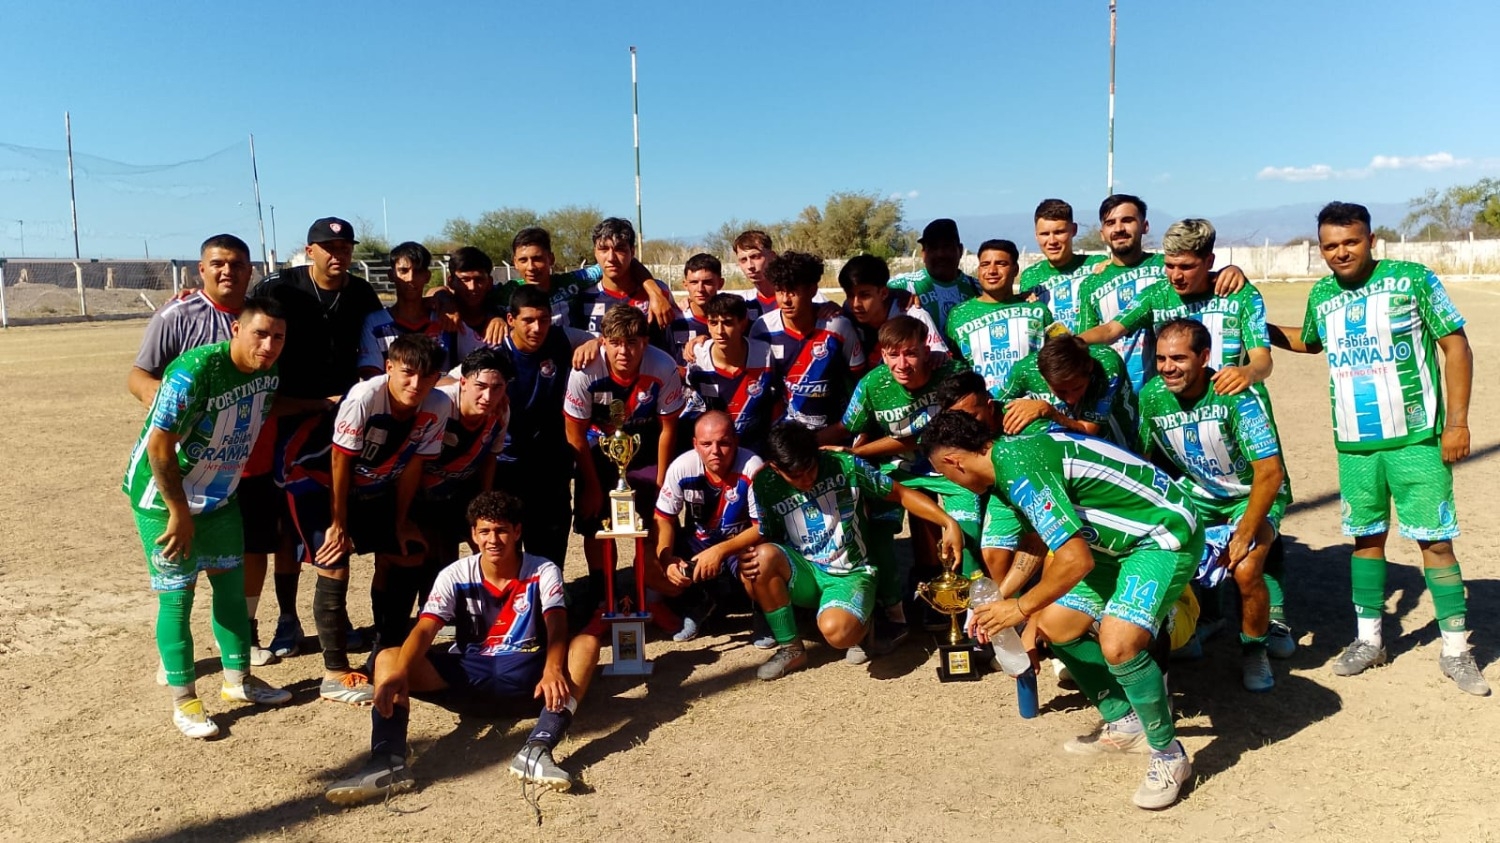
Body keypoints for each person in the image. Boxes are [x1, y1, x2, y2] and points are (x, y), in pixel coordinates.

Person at [922, 411, 1202, 810]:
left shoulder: (1019, 469)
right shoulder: (1008, 464)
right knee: (1052, 624)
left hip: (1161, 536)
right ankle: (1126, 722)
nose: (948, 481)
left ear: (953, 462)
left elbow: (1074, 562)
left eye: (942, 474)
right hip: (1111, 547)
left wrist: (1018, 608)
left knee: (1118, 643)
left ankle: (1169, 756)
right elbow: (1038, 544)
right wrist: (996, 599)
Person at [1269, 201, 1485, 695]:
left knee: (1434, 540)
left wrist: (1457, 423)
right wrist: (1250, 321)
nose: (1340, 252)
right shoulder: (1323, 292)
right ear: (1319, 249)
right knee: (1366, 539)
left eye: (1351, 241)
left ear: (1371, 241)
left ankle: (1456, 649)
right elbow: (1309, 341)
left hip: (1416, 438)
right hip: (1355, 444)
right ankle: (1370, 640)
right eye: (1330, 245)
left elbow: (1456, 345)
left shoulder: (1412, 279)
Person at [1080, 218, 1294, 654]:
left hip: (1235, 415)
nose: (1176, 275)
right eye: (1170, 265)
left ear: (1209, 262)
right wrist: (1069, 343)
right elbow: (1113, 329)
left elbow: (1263, 359)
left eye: (1186, 267)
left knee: (1255, 548)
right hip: (1184, 426)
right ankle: (1208, 617)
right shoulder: (1160, 295)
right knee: (1197, 536)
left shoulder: (1237, 293)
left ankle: (1274, 624)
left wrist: (1245, 374)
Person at [324, 491, 602, 804]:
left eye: (501, 531)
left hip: (532, 682)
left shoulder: (542, 569)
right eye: (484, 531)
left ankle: (538, 747)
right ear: (473, 534)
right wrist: (399, 673)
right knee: (389, 656)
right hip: (470, 679)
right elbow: (426, 629)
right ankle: (388, 761)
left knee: (587, 645)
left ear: (517, 532)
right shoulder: (455, 574)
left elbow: (556, 622)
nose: (493, 540)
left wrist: (552, 668)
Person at [122, 296, 294, 738]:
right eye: (260, 334)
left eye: (278, 337)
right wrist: (178, 512)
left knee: (230, 590)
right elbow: (160, 447)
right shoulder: (192, 371)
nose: (269, 345)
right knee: (177, 599)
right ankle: (185, 701)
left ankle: (239, 681)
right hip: (164, 500)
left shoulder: (268, 372)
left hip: (219, 496)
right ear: (236, 330)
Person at [128, 234, 284, 667]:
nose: (227, 271)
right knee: (180, 576)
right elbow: (138, 374)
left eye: (237, 264)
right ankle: (175, 658)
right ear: (201, 269)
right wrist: (169, 408)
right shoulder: (177, 315)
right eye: (218, 263)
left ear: (251, 270)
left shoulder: (267, 316)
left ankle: (242, 641)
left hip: (242, 464)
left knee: (247, 555)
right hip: (187, 461)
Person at [283, 334, 450, 704]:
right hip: (316, 481)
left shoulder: (438, 405)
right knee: (334, 559)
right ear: (388, 367)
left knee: (405, 552)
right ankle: (335, 671)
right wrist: (339, 524)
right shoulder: (364, 397)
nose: (415, 384)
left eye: (425, 377)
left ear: (437, 378)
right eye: (407, 373)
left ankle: (384, 651)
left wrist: (401, 520)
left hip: (372, 485)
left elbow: (414, 466)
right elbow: (340, 460)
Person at [252, 217, 384, 659]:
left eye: (344, 246)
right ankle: (287, 618)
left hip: (343, 418)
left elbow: (387, 334)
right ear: (310, 251)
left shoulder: (361, 292)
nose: (337, 254)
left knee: (334, 513)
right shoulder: (280, 288)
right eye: (328, 246)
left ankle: (335, 613)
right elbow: (244, 320)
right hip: (290, 415)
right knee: (285, 527)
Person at [743, 422, 963, 681]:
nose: (806, 480)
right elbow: (766, 533)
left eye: (810, 469)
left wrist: (948, 523)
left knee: (838, 633)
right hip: (805, 569)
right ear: (776, 468)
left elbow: (901, 494)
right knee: (757, 563)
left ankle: (864, 621)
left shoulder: (844, 465)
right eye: (796, 476)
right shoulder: (765, 483)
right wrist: (726, 554)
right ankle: (790, 648)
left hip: (851, 572)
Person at [1138, 320, 1290, 691]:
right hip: (1198, 493)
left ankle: (1255, 651)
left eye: (1178, 358)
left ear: (1204, 357)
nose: (1167, 367)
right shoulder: (1151, 396)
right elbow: (1147, 462)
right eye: (1160, 359)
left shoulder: (1237, 395)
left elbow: (1269, 473)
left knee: (1245, 567)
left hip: (1249, 493)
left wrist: (1245, 533)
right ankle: (1187, 630)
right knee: (1160, 557)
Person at [825, 316, 974, 648]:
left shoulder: (950, 374)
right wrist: (809, 445)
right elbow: (849, 427)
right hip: (893, 471)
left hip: (948, 468)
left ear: (926, 349)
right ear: (882, 353)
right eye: (893, 355)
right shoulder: (872, 384)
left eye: (910, 353)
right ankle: (894, 614)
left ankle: (970, 608)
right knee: (877, 533)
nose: (902, 364)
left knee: (970, 526)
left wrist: (856, 450)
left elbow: (921, 437)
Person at [564, 304, 687, 615]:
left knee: (653, 518)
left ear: (644, 343)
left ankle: (652, 592)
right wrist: (591, 486)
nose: (624, 351)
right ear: (603, 341)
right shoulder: (585, 369)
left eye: (632, 343)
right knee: (594, 522)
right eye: (616, 343)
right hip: (597, 446)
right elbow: (574, 434)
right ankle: (602, 592)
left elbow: (668, 428)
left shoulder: (663, 366)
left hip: (644, 443)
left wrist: (662, 479)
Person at [416, 347, 513, 602]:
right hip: (422, 487)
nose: (488, 396)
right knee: (432, 551)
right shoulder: (439, 402)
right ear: (463, 382)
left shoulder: (501, 411)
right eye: (480, 386)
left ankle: (494, 603)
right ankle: (435, 608)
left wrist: (484, 501)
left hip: (463, 483)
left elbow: (491, 456)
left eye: (497, 388)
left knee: (488, 538)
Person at [657, 412, 765, 641]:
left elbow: (762, 528)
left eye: (723, 443)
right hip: (698, 542)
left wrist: (719, 552)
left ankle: (763, 614)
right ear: (695, 444)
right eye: (706, 444)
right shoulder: (681, 467)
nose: (715, 451)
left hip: (739, 544)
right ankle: (698, 604)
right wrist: (667, 559)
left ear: (735, 441)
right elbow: (663, 518)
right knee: (648, 559)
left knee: (764, 562)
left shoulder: (753, 466)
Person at [494, 286, 580, 564]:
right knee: (508, 537)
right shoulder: (495, 356)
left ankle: (550, 596)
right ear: (511, 321)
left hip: (551, 461)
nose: (537, 328)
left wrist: (593, 343)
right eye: (528, 320)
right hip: (508, 463)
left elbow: (606, 340)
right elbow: (457, 381)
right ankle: (513, 600)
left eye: (543, 319)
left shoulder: (560, 339)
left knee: (551, 539)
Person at [750, 251, 867, 430]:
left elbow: (861, 380)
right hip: (788, 433)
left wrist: (846, 428)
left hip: (836, 430)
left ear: (812, 290)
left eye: (793, 292)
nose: (785, 300)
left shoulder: (837, 326)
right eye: (780, 291)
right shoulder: (763, 328)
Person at [358, 241, 484, 378]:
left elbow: (478, 361)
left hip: (443, 397)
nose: (410, 278)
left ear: (427, 276)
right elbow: (372, 378)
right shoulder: (374, 323)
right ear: (391, 275)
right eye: (403, 271)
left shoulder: (447, 318)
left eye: (418, 271)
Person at [945, 238, 1053, 396]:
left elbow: (1059, 358)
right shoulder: (958, 315)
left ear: (1015, 270)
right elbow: (954, 369)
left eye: (1001, 264)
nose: (992, 271)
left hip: (1030, 412)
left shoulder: (1037, 311)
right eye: (985, 264)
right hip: (983, 411)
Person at [998, 335, 1138, 449]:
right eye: (1061, 391)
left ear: (1089, 367)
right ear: (1042, 377)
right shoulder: (1023, 370)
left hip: (1121, 443)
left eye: (1077, 388)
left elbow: (1088, 430)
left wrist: (1049, 411)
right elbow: (993, 405)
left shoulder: (1107, 365)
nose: (1070, 399)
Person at [681, 293, 779, 454]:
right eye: (713, 323)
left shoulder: (765, 353)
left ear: (743, 323)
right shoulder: (697, 357)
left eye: (727, 323)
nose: (720, 331)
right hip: (714, 451)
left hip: (756, 449)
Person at [568, 217, 679, 348]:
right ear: (595, 253)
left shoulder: (658, 292)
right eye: (604, 249)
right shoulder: (581, 297)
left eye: (619, 249)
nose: (611, 258)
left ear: (632, 252)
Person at [1017, 199, 1108, 334]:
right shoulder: (1030, 276)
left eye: (1059, 232)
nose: (1052, 241)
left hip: (1095, 353)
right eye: (1045, 234)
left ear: (1074, 230)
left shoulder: (1097, 264)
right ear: (1036, 235)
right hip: (1056, 354)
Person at [837, 254, 947, 362]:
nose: (856, 304)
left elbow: (941, 358)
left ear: (884, 293)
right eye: (850, 295)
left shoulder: (914, 316)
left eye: (865, 295)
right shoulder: (846, 311)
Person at [887, 218, 979, 338]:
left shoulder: (978, 289)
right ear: (923, 254)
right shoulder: (905, 286)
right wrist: (895, 293)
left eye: (947, 247)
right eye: (933, 248)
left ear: (960, 250)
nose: (940, 254)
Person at [667, 253, 726, 366]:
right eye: (694, 282)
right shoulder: (672, 317)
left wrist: (709, 341)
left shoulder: (731, 319)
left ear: (720, 283)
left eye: (707, 282)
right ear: (685, 284)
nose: (700, 289)